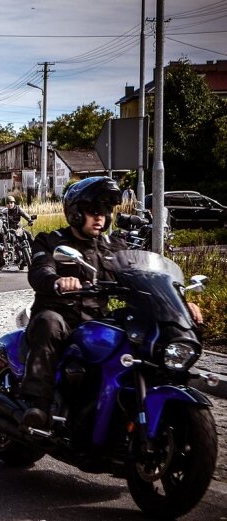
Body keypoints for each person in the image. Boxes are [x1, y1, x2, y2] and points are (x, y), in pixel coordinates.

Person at [19, 176, 203, 429]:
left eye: (105, 212)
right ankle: (37, 405)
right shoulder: (51, 240)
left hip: (96, 318)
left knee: (143, 332)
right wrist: (58, 281)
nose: (100, 218)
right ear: (75, 213)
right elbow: (40, 271)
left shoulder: (114, 246)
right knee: (48, 323)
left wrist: (180, 303)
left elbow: (149, 277)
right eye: (93, 211)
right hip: (62, 316)